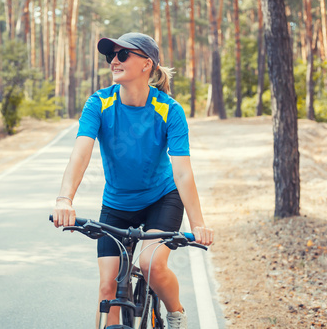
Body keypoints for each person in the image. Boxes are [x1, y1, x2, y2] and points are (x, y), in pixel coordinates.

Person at [53, 32, 214, 329]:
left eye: (123, 55)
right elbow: (80, 155)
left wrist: (198, 224)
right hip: (116, 203)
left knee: (151, 265)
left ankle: (175, 313)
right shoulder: (99, 104)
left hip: (161, 199)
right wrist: (65, 199)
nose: (114, 60)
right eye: (111, 55)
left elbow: (182, 173)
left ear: (146, 64)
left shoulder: (169, 110)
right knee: (107, 289)